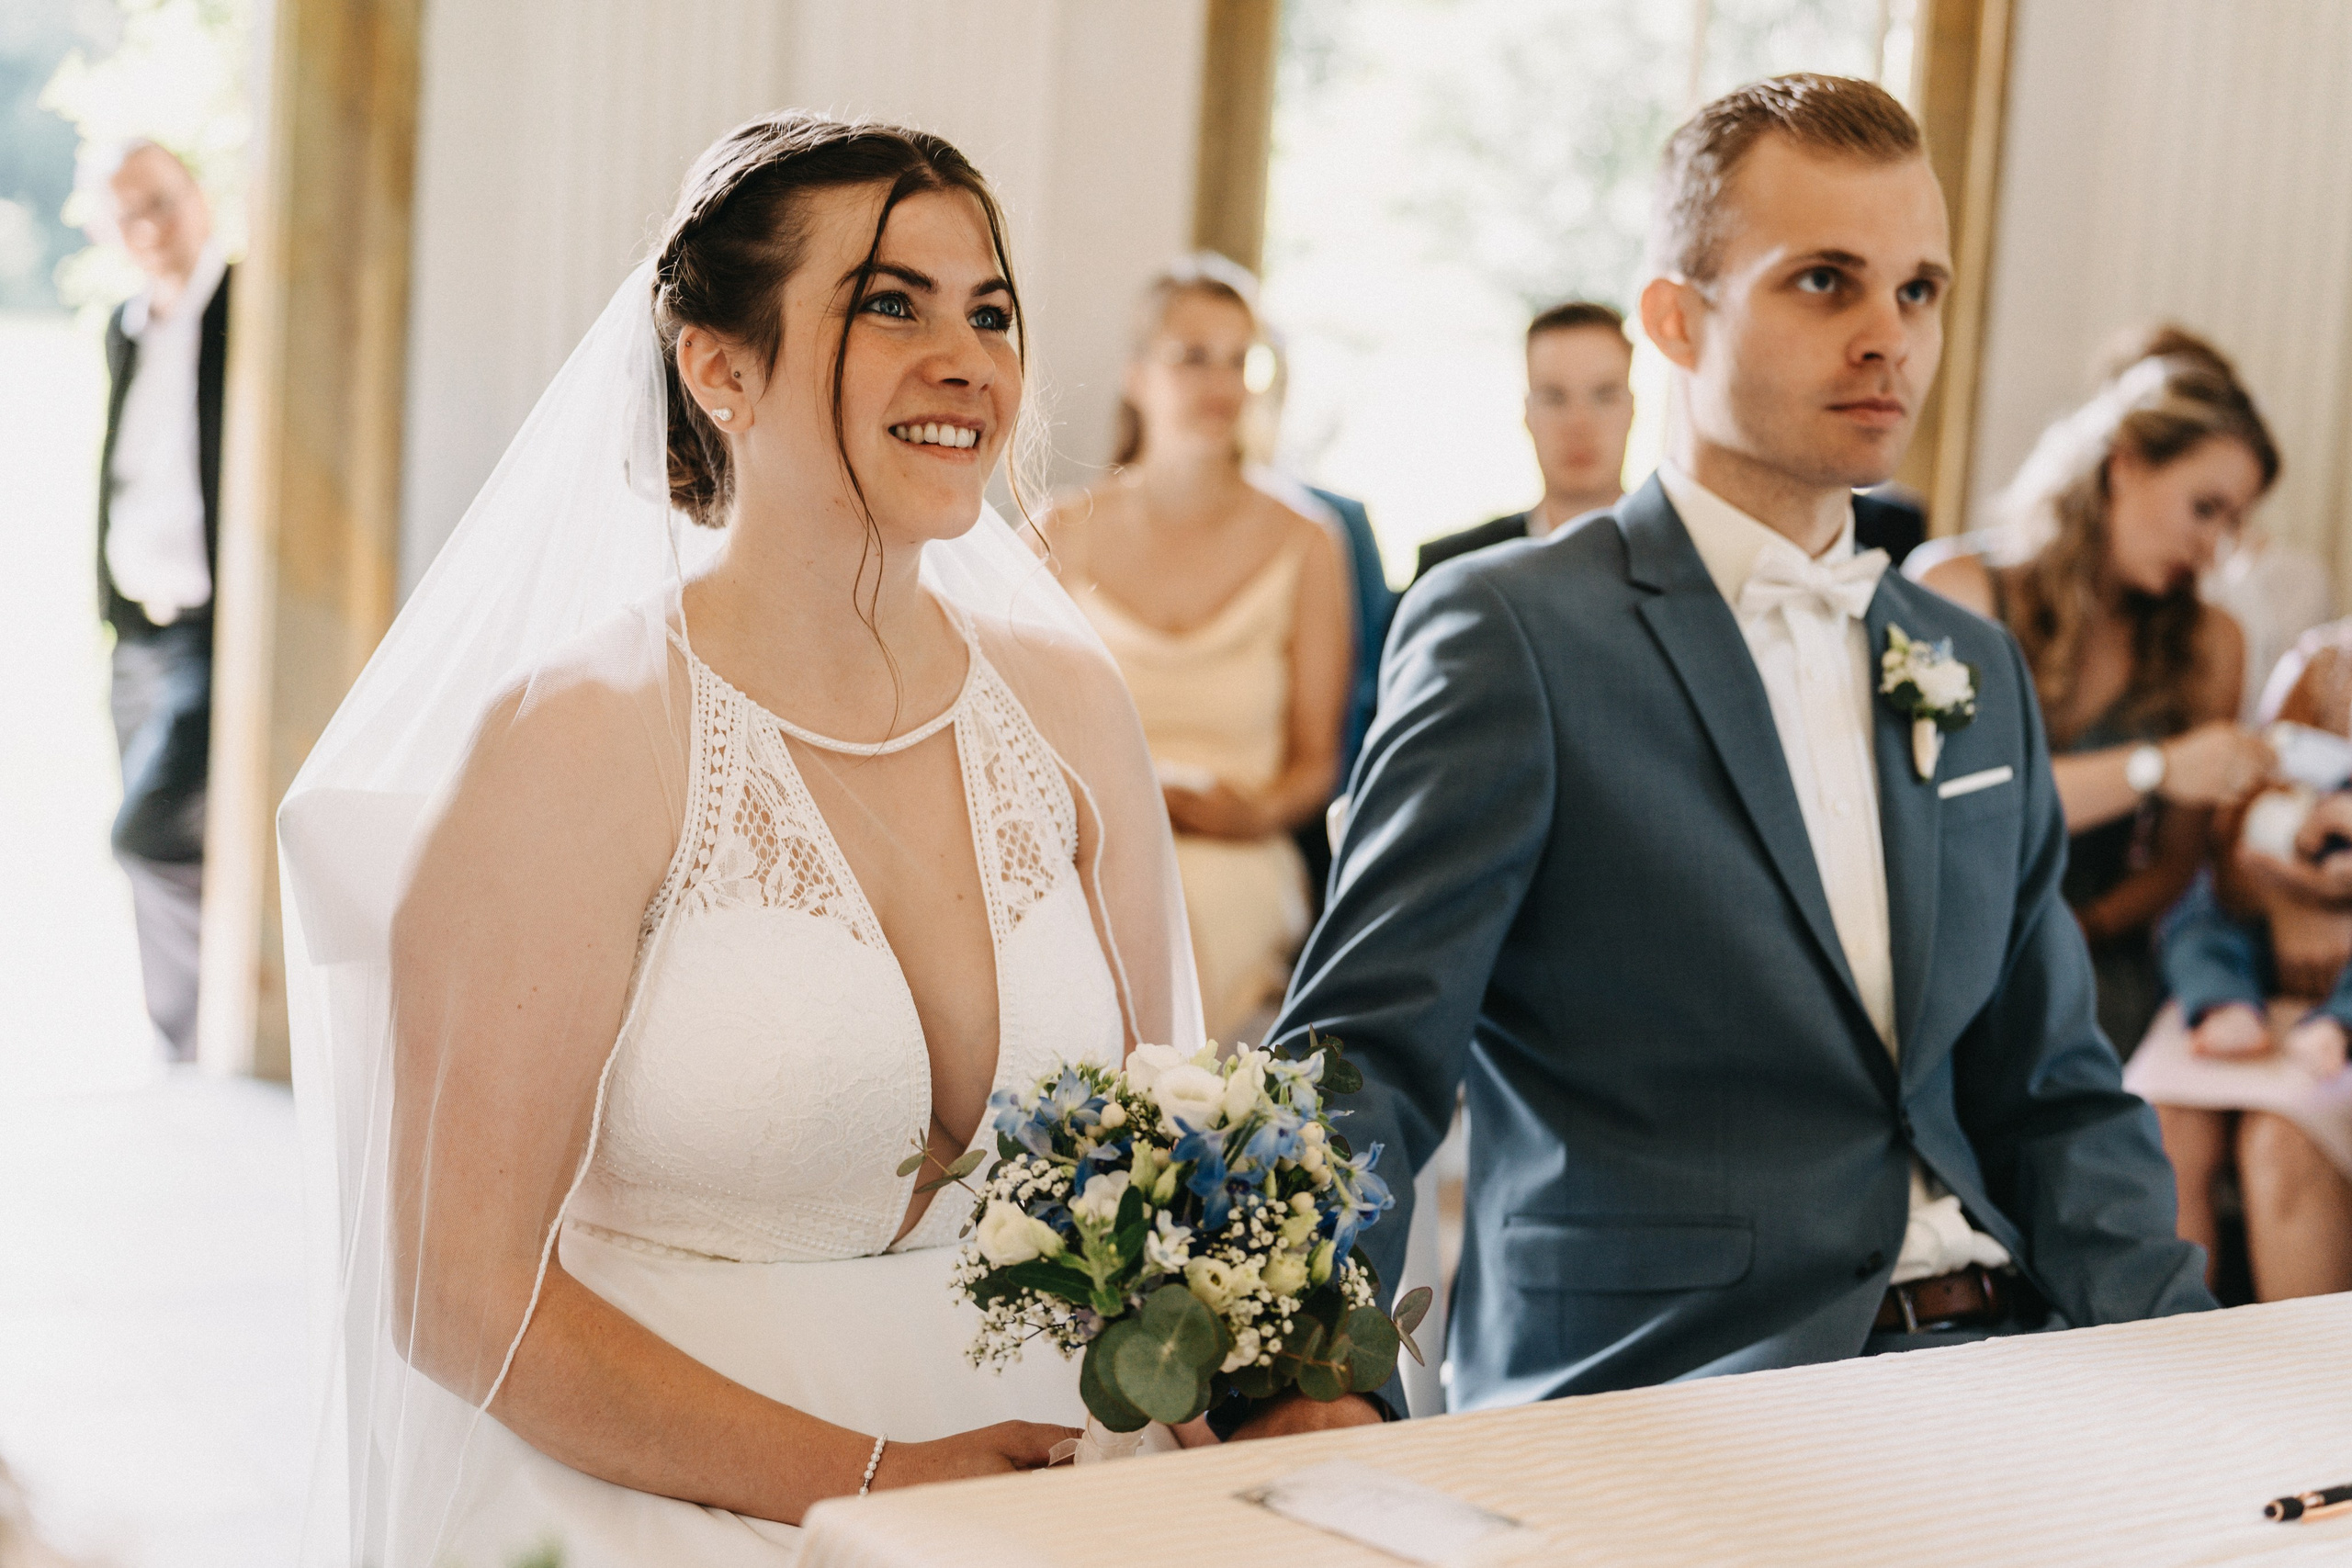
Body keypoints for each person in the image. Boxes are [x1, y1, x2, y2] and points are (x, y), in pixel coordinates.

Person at [279, 113, 1203, 1563]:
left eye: (990, 311)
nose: (967, 360)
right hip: (668, 1485)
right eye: (890, 304)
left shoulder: (1072, 705)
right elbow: (455, 1293)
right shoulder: (580, 738)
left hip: (1049, 1474)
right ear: (721, 369)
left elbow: (1171, 1158)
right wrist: (878, 1483)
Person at [1248, 74, 2211, 1435]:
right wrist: (1307, 1378)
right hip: (1673, 1379)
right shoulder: (1513, 632)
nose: (1888, 338)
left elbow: (2051, 1086)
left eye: (1918, 290)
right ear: (1675, 319)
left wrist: (2192, 1367)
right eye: (1825, 282)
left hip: (2008, 1358)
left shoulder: (1970, 663)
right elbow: (1364, 1053)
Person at [1913, 329, 2278, 1059]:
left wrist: (2079, 932)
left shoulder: (2212, 645)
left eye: (2234, 522)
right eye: (2205, 508)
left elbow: (2174, 865)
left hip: (2094, 953)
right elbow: (1959, 804)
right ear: (2124, 466)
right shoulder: (1955, 589)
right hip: (1943, 938)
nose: (2215, 548)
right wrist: (2159, 767)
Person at [1045, 254, 1352, 1043]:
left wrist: (1253, 815)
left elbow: (1317, 762)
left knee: (1186, 916)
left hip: (1233, 850)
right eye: (1192, 356)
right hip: (1088, 841)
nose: (1221, 383)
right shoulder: (1059, 532)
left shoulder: (1309, 541)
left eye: (1239, 359)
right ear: (1136, 374)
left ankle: (1151, 1107)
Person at [2126, 620, 2352, 1301]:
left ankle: (2336, 1022)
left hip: (2330, 998)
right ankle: (2223, 1003)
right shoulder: (2321, 663)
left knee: (2280, 1139)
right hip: (2267, 919)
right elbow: (2242, 839)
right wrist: (2284, 858)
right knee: (2161, 1126)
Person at [91, 141, 231, 1062]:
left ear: (199, 198)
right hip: (137, 627)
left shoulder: (244, 306)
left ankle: (212, 1035)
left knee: (152, 834)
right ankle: (177, 1046)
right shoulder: (128, 324)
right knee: (159, 852)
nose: (149, 228)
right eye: (128, 214)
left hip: (210, 630)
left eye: (162, 202)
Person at [1413, 300, 1634, 581]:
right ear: (1527, 412)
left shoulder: (1686, 561)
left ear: (1632, 409)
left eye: (1604, 396)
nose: (1579, 423)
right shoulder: (1449, 572)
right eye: (1554, 398)